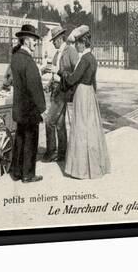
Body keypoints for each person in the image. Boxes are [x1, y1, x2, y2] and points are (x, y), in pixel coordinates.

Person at [59, 25, 111, 179]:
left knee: (81, 128)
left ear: (83, 43)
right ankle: (93, 166)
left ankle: (81, 169)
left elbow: (73, 79)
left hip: (82, 93)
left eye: (77, 44)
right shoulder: (92, 59)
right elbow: (94, 82)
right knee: (90, 129)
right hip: (89, 94)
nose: (76, 46)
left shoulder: (84, 59)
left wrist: (63, 73)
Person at [10, 24, 46, 183]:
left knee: (20, 139)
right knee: (30, 141)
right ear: (25, 40)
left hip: (19, 107)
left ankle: (16, 172)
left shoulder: (16, 57)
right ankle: (28, 174)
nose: (35, 43)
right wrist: (42, 108)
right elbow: (35, 87)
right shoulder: (28, 61)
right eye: (33, 39)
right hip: (30, 109)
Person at [40, 26, 79, 163]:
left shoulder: (71, 51)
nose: (53, 43)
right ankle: (62, 153)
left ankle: (51, 152)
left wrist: (69, 86)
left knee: (49, 121)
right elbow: (55, 74)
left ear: (60, 38)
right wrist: (49, 82)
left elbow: (76, 73)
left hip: (62, 91)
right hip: (55, 89)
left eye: (54, 40)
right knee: (60, 123)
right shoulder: (57, 53)